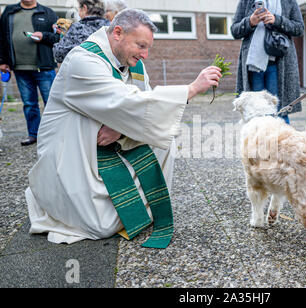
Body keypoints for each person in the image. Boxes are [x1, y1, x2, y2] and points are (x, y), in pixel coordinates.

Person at [25, 9, 222, 244]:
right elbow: (125, 102)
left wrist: (121, 127)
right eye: (141, 45)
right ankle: (79, 205)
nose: (145, 54)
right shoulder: (82, 60)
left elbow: (142, 105)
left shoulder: (132, 62)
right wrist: (190, 89)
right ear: (118, 33)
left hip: (108, 139)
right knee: (100, 226)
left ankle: (138, 205)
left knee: (165, 138)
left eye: (148, 47)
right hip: (73, 153)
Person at [231, 0, 304, 124]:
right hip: (253, 66)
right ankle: (258, 142)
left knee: (279, 112)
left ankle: (282, 142)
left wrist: (277, 20)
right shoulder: (246, 1)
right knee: (256, 112)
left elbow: (299, 28)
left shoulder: (289, 2)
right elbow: (235, 30)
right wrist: (250, 22)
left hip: (279, 64)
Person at [0, 0, 60, 146]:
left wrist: (43, 36)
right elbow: (1, 37)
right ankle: (34, 134)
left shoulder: (47, 12)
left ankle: (55, 135)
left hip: (44, 67)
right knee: (29, 103)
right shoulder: (9, 11)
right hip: (20, 67)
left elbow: (58, 38)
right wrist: (2, 61)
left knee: (52, 104)